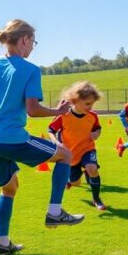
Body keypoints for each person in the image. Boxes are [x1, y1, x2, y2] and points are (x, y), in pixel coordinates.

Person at [0, 19, 85, 255]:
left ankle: (3, 243)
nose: (33, 47)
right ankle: (55, 212)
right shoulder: (30, 70)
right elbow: (32, 109)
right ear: (25, 40)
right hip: (12, 138)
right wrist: (57, 112)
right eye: (34, 42)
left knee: (9, 189)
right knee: (65, 155)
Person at [48, 82, 106, 210]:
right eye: (87, 104)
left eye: (92, 103)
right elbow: (50, 130)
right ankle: (71, 181)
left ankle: (96, 199)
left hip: (87, 148)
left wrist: (96, 133)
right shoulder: (64, 116)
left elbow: (98, 128)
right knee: (76, 182)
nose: (90, 107)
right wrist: (57, 143)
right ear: (76, 100)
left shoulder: (93, 116)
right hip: (70, 154)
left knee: (92, 169)